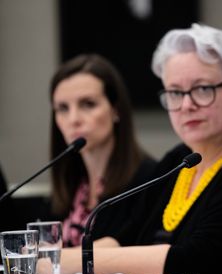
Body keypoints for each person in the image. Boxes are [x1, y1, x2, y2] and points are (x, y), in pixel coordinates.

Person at [60, 24, 222, 274]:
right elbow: (123, 238)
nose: (186, 105)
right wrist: (54, 257)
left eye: (202, 89)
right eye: (174, 92)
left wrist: (56, 261)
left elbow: (194, 259)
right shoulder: (178, 160)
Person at [48, 54, 157, 247]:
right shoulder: (70, 183)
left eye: (88, 104)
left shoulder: (148, 180)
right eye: (63, 108)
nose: (73, 119)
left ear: (116, 110)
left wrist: (47, 260)